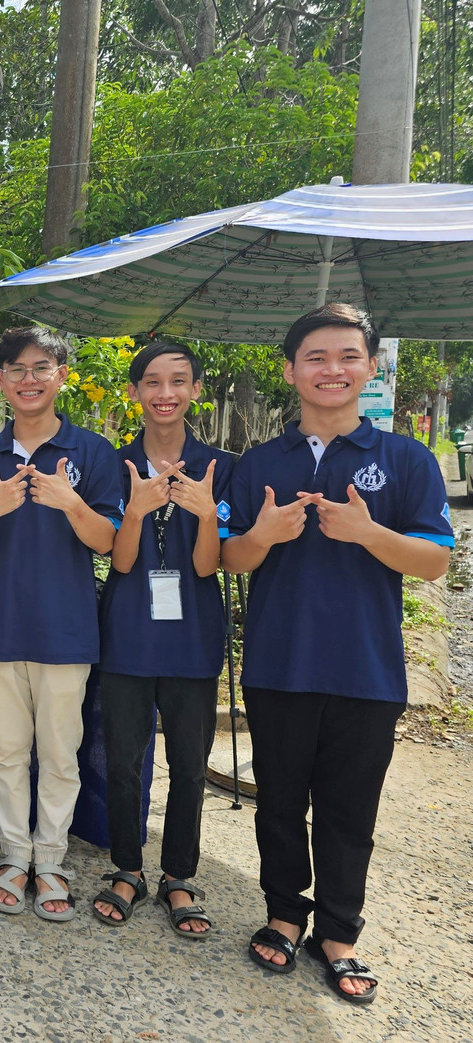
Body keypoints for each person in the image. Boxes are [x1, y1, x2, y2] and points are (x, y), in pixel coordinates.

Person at [222, 303, 453, 1004]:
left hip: (367, 667)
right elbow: (229, 556)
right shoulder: (259, 462)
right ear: (290, 370)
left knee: (351, 808)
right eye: (316, 357)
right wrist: (263, 535)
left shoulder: (404, 458)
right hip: (278, 662)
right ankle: (285, 912)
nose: (333, 369)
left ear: (371, 367)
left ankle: (340, 931)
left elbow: (436, 561)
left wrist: (366, 532)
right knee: (280, 803)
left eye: (348, 356)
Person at [0, 327, 123, 921]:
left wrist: (71, 502)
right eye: (16, 369)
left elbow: (108, 541)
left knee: (60, 754)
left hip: (66, 631)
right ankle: (13, 855)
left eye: (41, 367)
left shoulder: (93, 453)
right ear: (0, 380)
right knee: (6, 752)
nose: (28, 379)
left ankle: (49, 860)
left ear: (60, 375)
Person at [91, 340, 233, 937]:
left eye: (178, 380)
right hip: (127, 633)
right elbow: (118, 562)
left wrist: (203, 511)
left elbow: (207, 567)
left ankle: (179, 875)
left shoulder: (220, 466)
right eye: (152, 381)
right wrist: (135, 510)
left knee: (188, 764)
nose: (165, 392)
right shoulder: (113, 463)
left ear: (196, 389)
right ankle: (128, 868)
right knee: (122, 761)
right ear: (134, 392)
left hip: (193, 638)